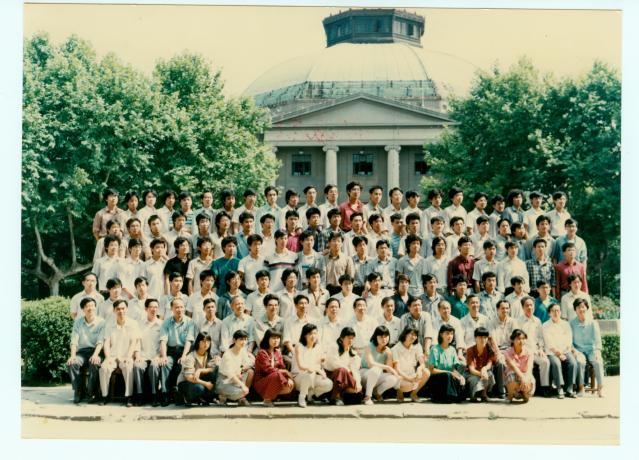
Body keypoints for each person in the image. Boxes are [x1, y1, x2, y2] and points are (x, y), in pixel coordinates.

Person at [98, 300, 140, 407]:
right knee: (104, 368)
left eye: (123, 308)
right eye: (118, 309)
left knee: (128, 367)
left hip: (126, 355)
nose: (121, 311)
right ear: (114, 310)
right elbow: (106, 343)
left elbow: (134, 342)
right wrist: (108, 358)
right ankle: (104, 396)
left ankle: (129, 396)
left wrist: (128, 357)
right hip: (112, 356)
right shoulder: (109, 325)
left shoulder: (133, 324)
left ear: (127, 309)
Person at [67, 298, 105, 404]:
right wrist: (72, 356)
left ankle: (91, 392)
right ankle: (78, 391)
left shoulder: (102, 322)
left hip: (96, 351)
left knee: (95, 363)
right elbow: (74, 340)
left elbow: (100, 341)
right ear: (83, 309)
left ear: (95, 307)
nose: (90, 308)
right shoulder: (78, 322)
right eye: (87, 306)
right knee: (72, 363)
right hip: (82, 353)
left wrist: (96, 355)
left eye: (92, 305)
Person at [158, 297, 194, 406]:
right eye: (177, 307)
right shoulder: (166, 322)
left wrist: (184, 356)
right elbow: (163, 340)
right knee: (165, 364)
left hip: (184, 351)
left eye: (182, 307)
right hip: (171, 351)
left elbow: (189, 341)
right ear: (172, 309)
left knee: (183, 363)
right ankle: (165, 394)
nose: (179, 309)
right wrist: (164, 356)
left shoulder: (190, 322)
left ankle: (180, 393)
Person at [516, 296, 551, 397]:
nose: (529, 307)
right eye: (527, 305)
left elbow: (540, 338)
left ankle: (544, 387)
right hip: (523, 351)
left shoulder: (537, 321)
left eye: (531, 305)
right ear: (523, 307)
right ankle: (527, 389)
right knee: (527, 366)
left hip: (535, 350)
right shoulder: (518, 321)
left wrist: (540, 348)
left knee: (545, 361)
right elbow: (517, 339)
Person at [292, 323, 333, 407]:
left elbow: (318, 364)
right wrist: (318, 370)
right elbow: (301, 366)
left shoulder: (318, 347)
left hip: (312, 376)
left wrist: (321, 370)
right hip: (298, 377)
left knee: (329, 384)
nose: (313, 336)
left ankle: (310, 394)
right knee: (309, 373)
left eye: (315, 333)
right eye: (310, 333)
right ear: (305, 335)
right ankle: (302, 397)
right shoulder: (299, 346)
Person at [543, 303, 578, 398]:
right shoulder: (545, 325)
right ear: (549, 313)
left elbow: (569, 340)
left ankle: (570, 388)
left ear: (560, 312)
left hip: (565, 351)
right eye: (553, 311)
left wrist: (563, 352)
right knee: (556, 363)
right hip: (552, 352)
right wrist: (558, 354)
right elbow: (549, 343)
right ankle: (559, 388)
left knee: (573, 363)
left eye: (558, 310)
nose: (556, 313)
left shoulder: (566, 324)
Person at [570, 298, 604, 397]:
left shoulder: (593, 322)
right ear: (575, 309)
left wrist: (597, 351)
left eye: (583, 307)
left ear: (587, 308)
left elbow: (598, 340)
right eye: (578, 307)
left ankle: (600, 388)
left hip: (591, 350)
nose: (581, 309)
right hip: (578, 350)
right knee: (580, 362)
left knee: (598, 361)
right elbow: (569, 340)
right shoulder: (571, 323)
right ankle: (581, 388)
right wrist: (574, 350)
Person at [253, 328, 295, 407]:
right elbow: (268, 369)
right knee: (276, 375)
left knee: (289, 385)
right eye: (273, 338)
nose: (276, 340)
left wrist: (288, 378)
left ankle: (272, 396)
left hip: (274, 379)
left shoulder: (277, 352)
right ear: (267, 339)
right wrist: (285, 372)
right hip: (261, 382)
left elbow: (282, 367)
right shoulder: (262, 352)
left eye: (278, 338)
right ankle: (267, 399)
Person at [360, 326, 400, 405]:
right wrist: (387, 367)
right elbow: (371, 364)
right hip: (364, 373)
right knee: (375, 370)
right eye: (381, 337)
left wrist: (389, 355)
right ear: (376, 337)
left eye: (386, 336)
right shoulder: (369, 346)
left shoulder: (387, 350)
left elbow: (389, 370)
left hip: (377, 375)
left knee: (393, 379)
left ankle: (376, 393)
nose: (384, 339)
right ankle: (367, 397)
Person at [132, 298, 162, 406]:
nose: (154, 309)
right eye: (151, 307)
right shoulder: (140, 324)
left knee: (154, 366)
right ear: (146, 309)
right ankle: (140, 395)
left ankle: (155, 395)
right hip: (143, 356)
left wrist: (159, 356)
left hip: (156, 356)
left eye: (156, 307)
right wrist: (137, 356)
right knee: (137, 366)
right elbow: (137, 342)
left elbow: (163, 343)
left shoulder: (161, 324)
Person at [426, 324, 467, 403]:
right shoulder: (435, 349)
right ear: (441, 334)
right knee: (447, 376)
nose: (450, 336)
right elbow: (431, 370)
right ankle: (445, 396)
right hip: (437, 379)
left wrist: (460, 376)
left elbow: (453, 369)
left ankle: (452, 396)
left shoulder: (452, 350)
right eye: (447, 333)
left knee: (461, 378)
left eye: (451, 334)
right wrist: (448, 372)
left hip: (449, 378)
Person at [324, 327, 363, 405]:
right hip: (331, 375)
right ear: (342, 338)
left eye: (352, 338)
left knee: (357, 391)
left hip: (345, 376)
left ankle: (343, 394)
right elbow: (334, 364)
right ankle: (336, 397)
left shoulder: (353, 353)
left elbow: (355, 370)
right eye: (349, 338)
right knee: (342, 370)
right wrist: (347, 369)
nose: (351, 341)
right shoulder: (334, 347)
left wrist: (358, 383)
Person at [176, 332, 217, 406]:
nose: (206, 344)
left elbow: (213, 369)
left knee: (214, 374)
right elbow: (189, 377)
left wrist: (200, 370)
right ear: (198, 342)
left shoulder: (208, 355)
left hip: (198, 380)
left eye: (208, 341)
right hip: (186, 383)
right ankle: (186, 398)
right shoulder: (190, 357)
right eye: (203, 341)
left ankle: (203, 398)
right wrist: (206, 384)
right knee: (199, 388)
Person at [391, 326, 430, 402]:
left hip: (412, 374)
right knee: (409, 385)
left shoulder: (417, 346)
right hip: (400, 376)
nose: (414, 337)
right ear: (405, 334)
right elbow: (397, 369)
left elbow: (422, 364)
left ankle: (414, 394)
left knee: (426, 372)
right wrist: (409, 379)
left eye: (415, 335)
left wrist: (419, 369)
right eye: (411, 334)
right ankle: (399, 392)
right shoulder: (395, 348)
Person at [216, 329, 253, 406]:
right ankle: (222, 395)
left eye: (245, 339)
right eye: (241, 339)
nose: (244, 342)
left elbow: (247, 363)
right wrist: (243, 385)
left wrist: (241, 369)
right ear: (234, 340)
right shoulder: (227, 354)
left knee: (250, 372)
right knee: (243, 391)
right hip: (224, 381)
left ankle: (241, 398)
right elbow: (231, 375)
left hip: (236, 379)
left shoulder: (242, 351)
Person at [464, 327, 498, 402]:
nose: (483, 339)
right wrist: (481, 374)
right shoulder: (470, 350)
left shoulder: (490, 349)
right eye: (480, 337)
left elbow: (489, 364)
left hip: (483, 372)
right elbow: (471, 370)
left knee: (490, 374)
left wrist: (484, 369)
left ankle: (484, 394)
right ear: (475, 338)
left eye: (485, 337)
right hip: (472, 373)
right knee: (475, 379)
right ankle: (473, 395)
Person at [503, 329, 535, 402]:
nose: (521, 341)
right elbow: (514, 367)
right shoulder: (507, 352)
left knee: (529, 381)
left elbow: (529, 367)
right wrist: (523, 378)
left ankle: (525, 395)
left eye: (523, 339)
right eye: (518, 339)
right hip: (513, 375)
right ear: (512, 340)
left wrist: (526, 378)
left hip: (525, 374)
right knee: (511, 376)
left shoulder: (529, 352)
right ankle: (510, 396)